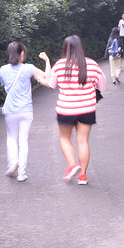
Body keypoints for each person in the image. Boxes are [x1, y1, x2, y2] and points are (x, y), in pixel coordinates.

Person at [40, 35, 106, 185]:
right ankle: (83, 175)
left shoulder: (60, 65)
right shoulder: (91, 64)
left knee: (64, 138)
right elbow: (101, 85)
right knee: (82, 141)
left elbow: (51, 83)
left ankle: (72, 164)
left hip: (66, 109)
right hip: (87, 109)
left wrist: (39, 79)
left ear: (65, 48)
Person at [0, 42, 50, 182]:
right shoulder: (29, 68)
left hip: (10, 110)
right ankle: (21, 173)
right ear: (22, 53)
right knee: (23, 140)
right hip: (26, 110)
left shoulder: (3, 69)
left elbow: (5, 85)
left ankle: (12, 163)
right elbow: (46, 76)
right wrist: (47, 60)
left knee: (11, 137)